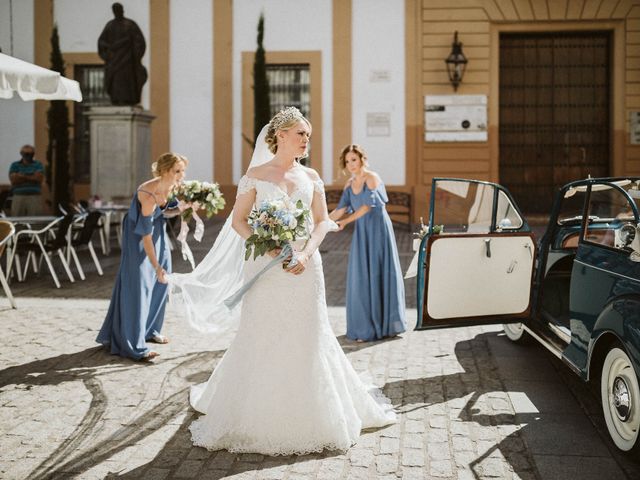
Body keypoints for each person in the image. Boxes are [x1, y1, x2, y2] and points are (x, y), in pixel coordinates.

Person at [170, 107, 395, 455]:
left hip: (306, 266)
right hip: (265, 267)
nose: (306, 140)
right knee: (262, 332)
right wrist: (268, 247)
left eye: (308, 135)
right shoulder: (255, 175)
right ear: (281, 136)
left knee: (307, 333)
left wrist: (305, 254)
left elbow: (321, 222)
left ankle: (314, 411)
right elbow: (239, 222)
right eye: (301, 134)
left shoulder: (312, 176)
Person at [96, 153, 187, 361]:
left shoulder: (171, 186)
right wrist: (155, 265)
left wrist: (185, 207)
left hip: (159, 233)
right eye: (177, 171)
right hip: (139, 238)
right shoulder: (147, 194)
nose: (182, 175)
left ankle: (150, 330)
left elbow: (167, 211)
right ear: (165, 171)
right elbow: (145, 237)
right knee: (138, 286)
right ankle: (133, 345)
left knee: (162, 283)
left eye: (182, 170)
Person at [329, 144, 406, 342]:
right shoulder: (349, 184)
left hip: (378, 230)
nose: (351, 164)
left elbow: (366, 207)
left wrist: (345, 222)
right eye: (347, 161)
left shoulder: (372, 178)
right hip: (362, 232)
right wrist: (322, 221)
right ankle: (365, 327)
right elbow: (340, 209)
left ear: (362, 159)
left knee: (380, 272)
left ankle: (385, 325)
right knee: (361, 276)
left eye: (353, 159)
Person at [97, 2, 148, 106]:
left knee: (127, 80)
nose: (117, 12)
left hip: (127, 60)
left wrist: (135, 55)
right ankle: (116, 99)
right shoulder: (110, 25)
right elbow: (101, 41)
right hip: (114, 60)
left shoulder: (130, 24)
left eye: (118, 10)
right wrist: (108, 49)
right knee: (116, 80)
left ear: (122, 10)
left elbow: (139, 41)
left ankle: (128, 99)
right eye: (115, 10)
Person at [8, 144, 44, 216]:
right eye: (26, 154)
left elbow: (38, 178)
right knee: (17, 221)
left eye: (31, 154)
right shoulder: (15, 165)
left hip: (34, 196)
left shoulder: (38, 164)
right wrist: (31, 176)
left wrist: (21, 176)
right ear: (22, 154)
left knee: (35, 221)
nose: (29, 156)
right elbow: (14, 180)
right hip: (18, 196)